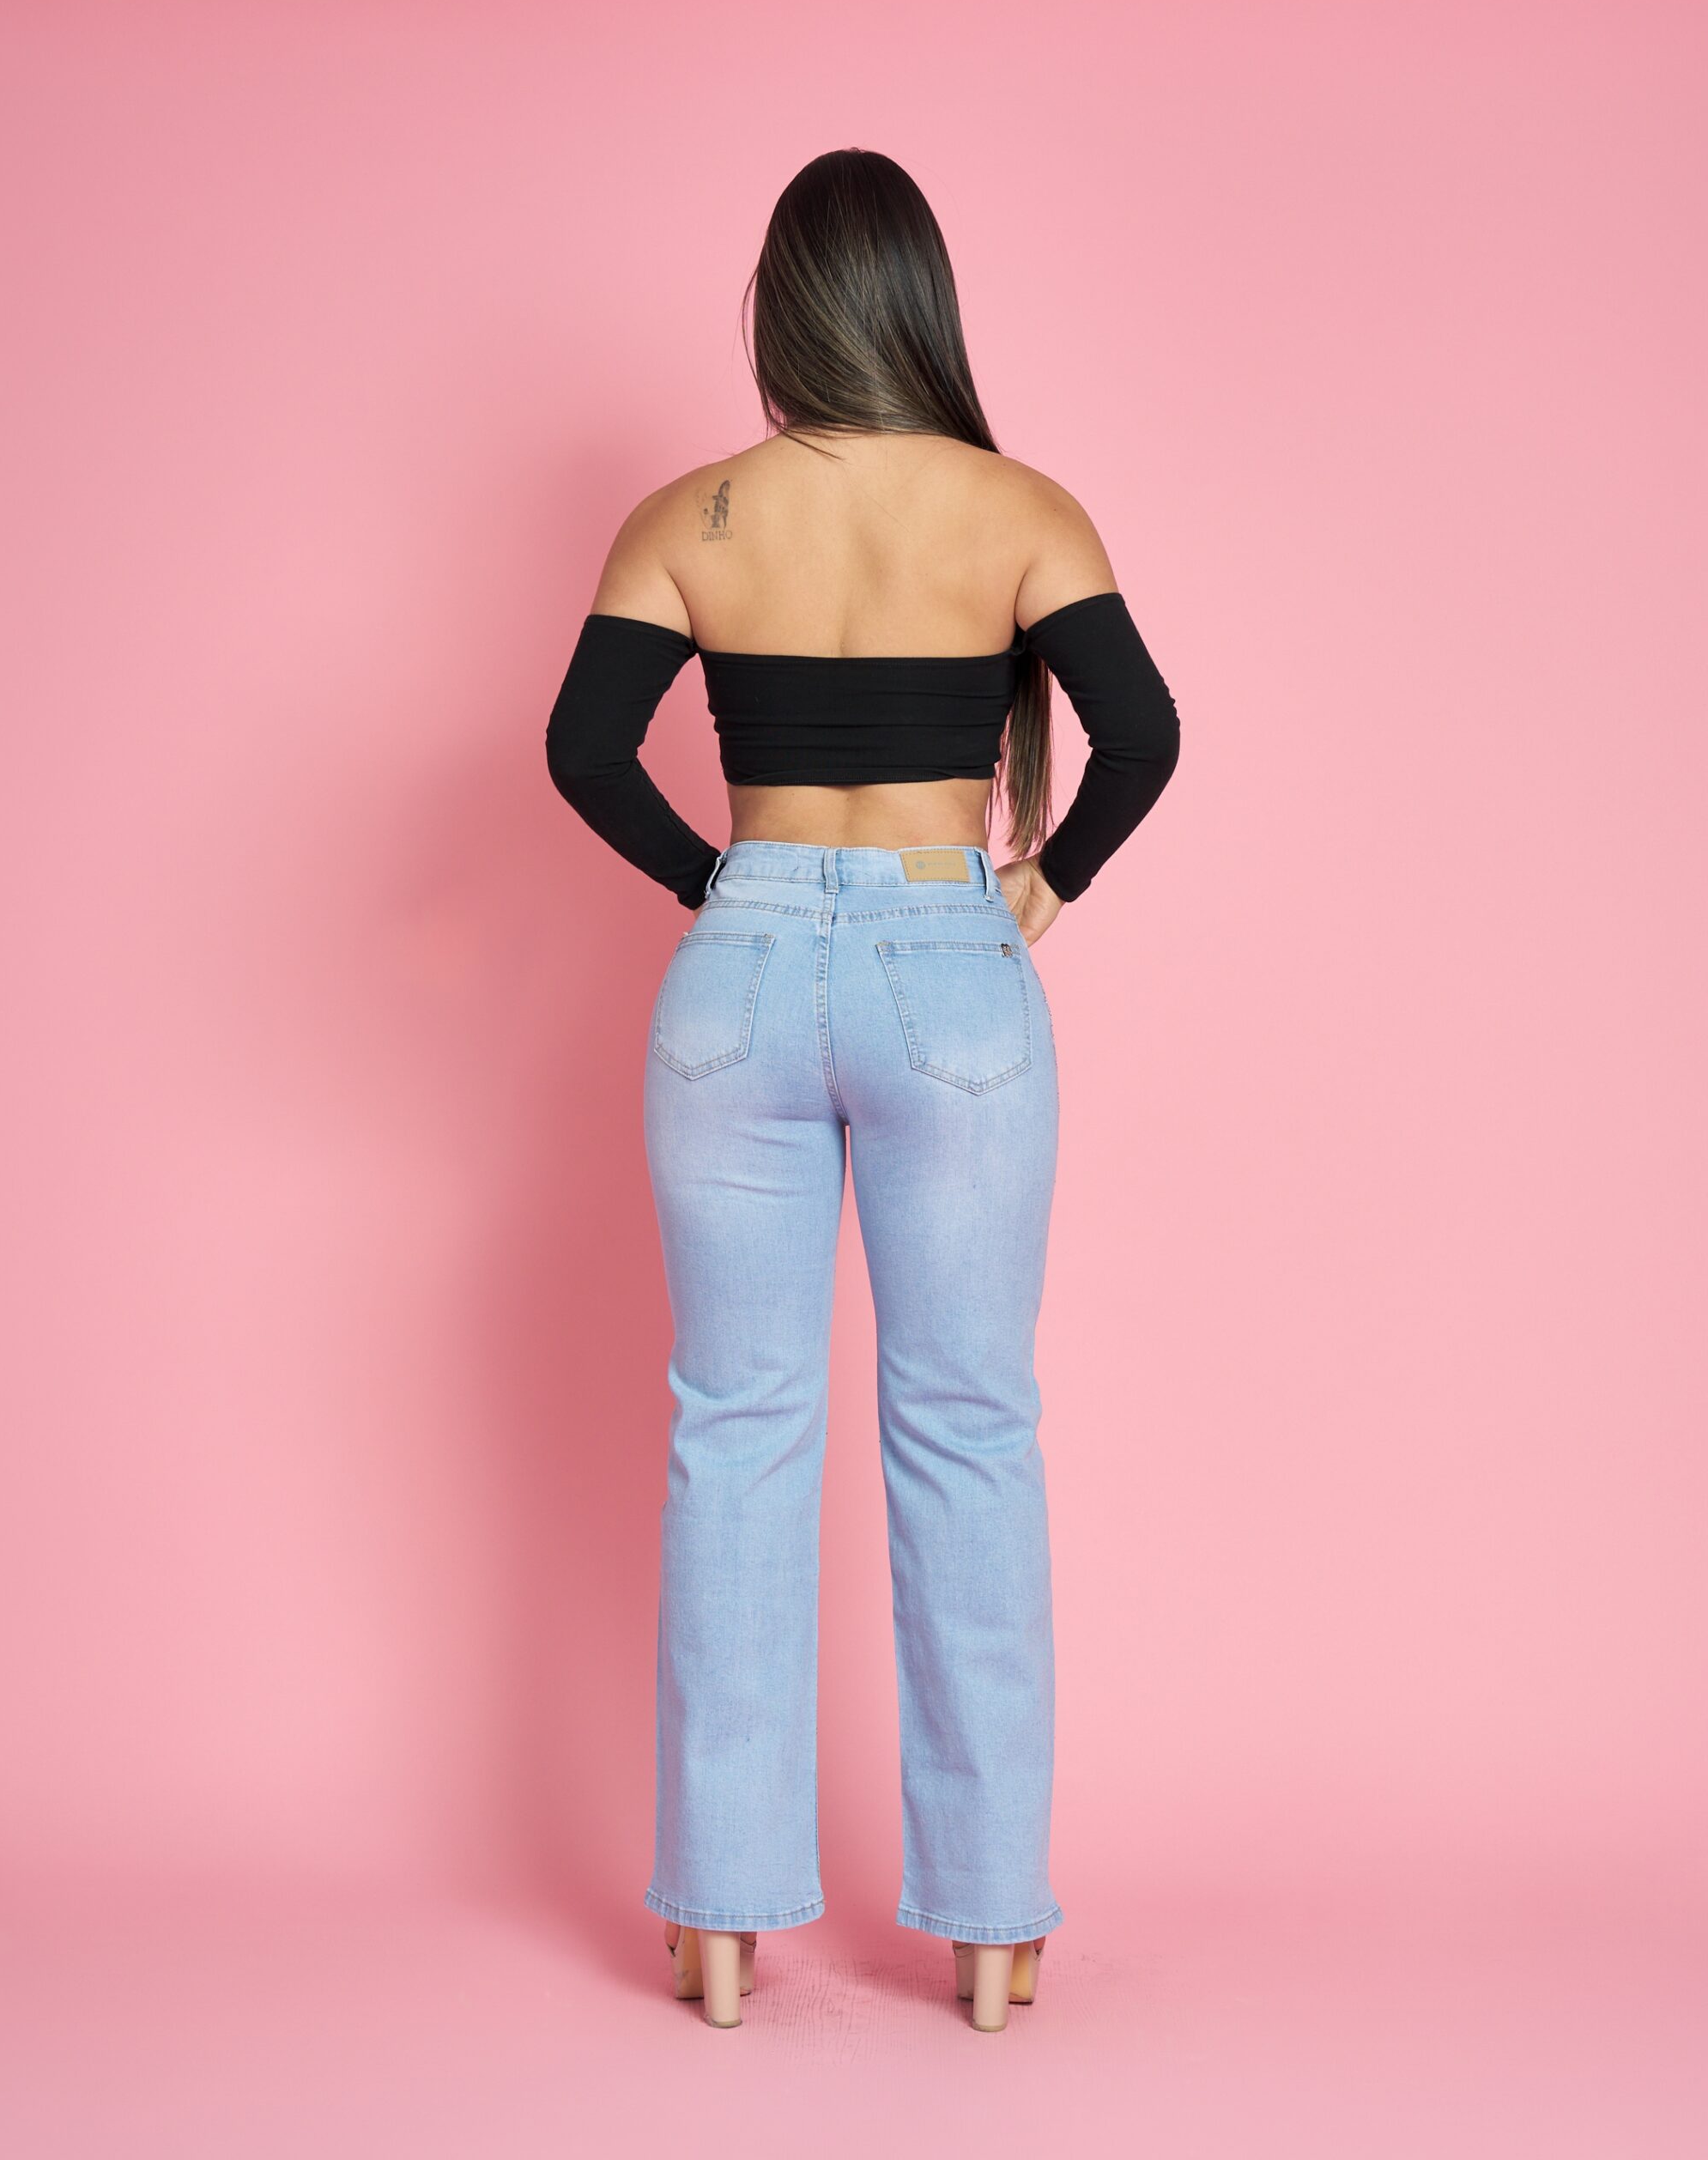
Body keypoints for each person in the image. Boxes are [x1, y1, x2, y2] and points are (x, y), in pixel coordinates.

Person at [545, 149, 1180, 2034]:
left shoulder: (693, 514)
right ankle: (987, 1929)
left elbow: (582, 748)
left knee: (732, 1430)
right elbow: (1142, 733)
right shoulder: (1017, 508)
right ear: (920, 299)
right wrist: (1040, 887)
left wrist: (717, 889)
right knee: (968, 1429)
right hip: (945, 971)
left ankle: (722, 1929)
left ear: (783, 310)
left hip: (737, 973)